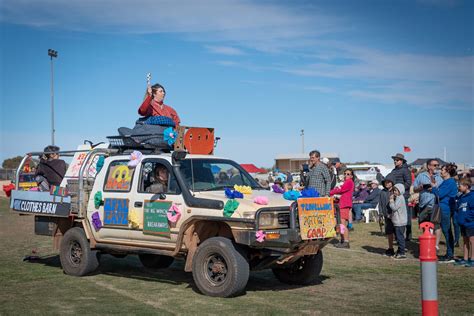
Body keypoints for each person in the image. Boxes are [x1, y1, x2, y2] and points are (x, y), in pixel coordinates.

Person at [432, 163, 458, 263]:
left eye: (442, 170)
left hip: (445, 209)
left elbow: (440, 194)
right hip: (444, 208)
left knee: (447, 232)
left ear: (447, 172)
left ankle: (450, 255)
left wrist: (434, 187)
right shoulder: (447, 181)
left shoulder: (449, 182)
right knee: (447, 231)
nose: (440, 171)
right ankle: (449, 253)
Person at [386, 153, 412, 240]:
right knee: (396, 215)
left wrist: (399, 191)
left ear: (402, 161)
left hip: (403, 196)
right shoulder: (393, 171)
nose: (395, 161)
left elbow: (408, 183)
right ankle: (398, 235)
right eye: (394, 160)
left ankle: (407, 235)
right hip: (395, 195)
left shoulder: (406, 170)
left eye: (397, 160)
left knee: (405, 216)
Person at [330, 168, 355, 248]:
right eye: (345, 173)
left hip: (344, 205)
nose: (345, 175)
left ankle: (346, 241)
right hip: (342, 204)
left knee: (343, 224)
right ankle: (343, 240)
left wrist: (330, 192)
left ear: (351, 176)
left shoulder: (349, 182)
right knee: (341, 224)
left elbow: (341, 190)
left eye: (348, 174)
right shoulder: (347, 182)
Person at [414, 159, 443, 223]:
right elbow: (414, 189)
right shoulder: (421, 176)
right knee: (424, 225)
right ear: (429, 166)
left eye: (438, 165)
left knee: (436, 226)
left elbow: (442, 190)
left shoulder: (440, 177)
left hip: (435, 205)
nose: (437, 167)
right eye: (435, 165)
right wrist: (420, 187)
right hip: (423, 205)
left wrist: (434, 187)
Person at [455, 177, 474, 267]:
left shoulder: (472, 196)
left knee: (472, 241)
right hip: (462, 223)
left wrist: (468, 218)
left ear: (466, 186)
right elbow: (458, 208)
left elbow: (473, 210)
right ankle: (465, 258)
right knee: (465, 241)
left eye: (460, 186)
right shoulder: (461, 196)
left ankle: (472, 259)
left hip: (470, 223)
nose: (459, 187)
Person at [389, 183, 408, 259]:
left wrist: (391, 201)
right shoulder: (399, 198)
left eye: (396, 190)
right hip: (399, 221)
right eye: (394, 190)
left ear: (400, 191)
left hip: (400, 222)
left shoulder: (400, 198)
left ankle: (402, 252)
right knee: (399, 237)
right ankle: (400, 251)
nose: (394, 192)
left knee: (400, 237)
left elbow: (394, 208)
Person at [380, 177, 396, 256]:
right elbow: (380, 203)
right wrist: (381, 213)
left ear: (392, 183)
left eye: (389, 182)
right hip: (386, 215)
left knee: (398, 232)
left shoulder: (395, 191)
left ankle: (401, 249)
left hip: (395, 215)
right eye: (386, 182)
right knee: (389, 232)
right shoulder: (382, 192)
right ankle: (390, 248)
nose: (387, 184)